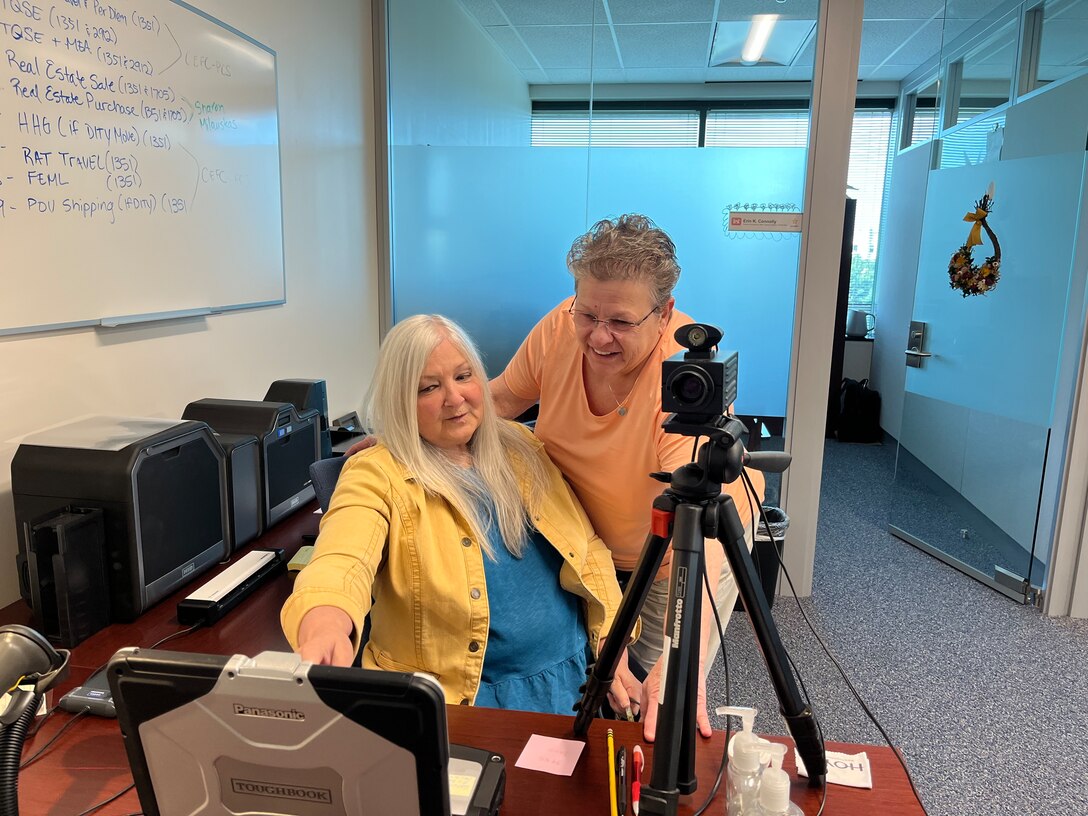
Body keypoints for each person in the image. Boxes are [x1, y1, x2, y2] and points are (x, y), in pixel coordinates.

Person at [489, 214, 765, 740]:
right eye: (586, 312)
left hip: (672, 561)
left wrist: (683, 654)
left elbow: (700, 532)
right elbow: (501, 400)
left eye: (619, 321)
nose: (598, 335)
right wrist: (409, 430)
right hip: (583, 551)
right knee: (584, 689)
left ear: (663, 315)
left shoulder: (684, 378)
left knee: (654, 704)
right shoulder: (558, 330)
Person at [281, 314, 639, 716]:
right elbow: (342, 559)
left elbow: (586, 549)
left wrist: (612, 639)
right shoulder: (377, 472)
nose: (454, 399)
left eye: (464, 376)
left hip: (572, 676)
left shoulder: (520, 446)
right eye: (429, 388)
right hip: (465, 698)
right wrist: (326, 624)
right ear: (401, 401)